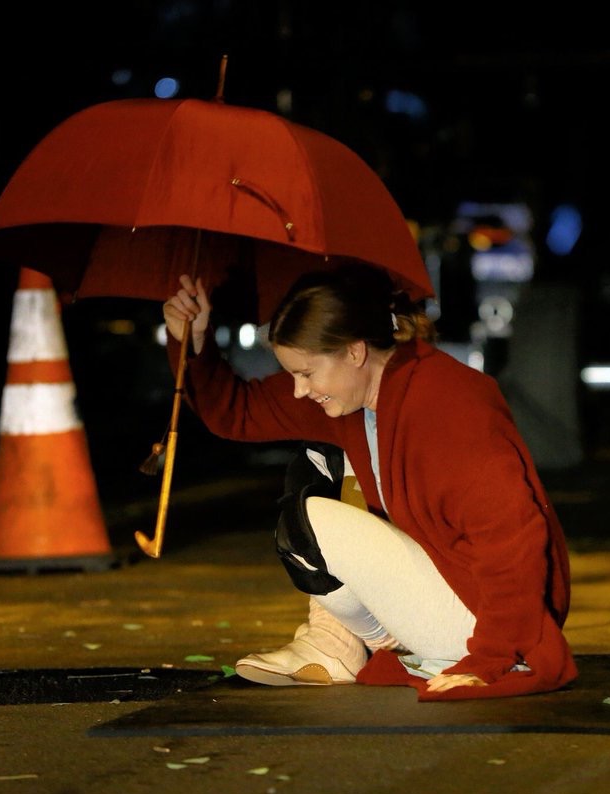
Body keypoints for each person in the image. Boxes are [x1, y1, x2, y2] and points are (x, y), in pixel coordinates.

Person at [161, 264, 577, 700]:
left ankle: (367, 642)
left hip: (488, 623)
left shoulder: (449, 402)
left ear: (355, 352)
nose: (300, 390)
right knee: (318, 463)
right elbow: (237, 412)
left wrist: (492, 657)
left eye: (306, 373)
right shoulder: (358, 392)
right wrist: (194, 340)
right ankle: (341, 642)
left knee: (309, 519)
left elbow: (513, 534)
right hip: (451, 595)